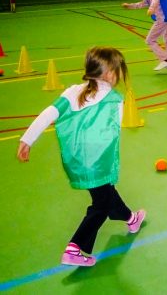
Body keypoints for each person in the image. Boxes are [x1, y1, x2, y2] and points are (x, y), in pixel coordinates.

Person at [17, 47, 146, 267]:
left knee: (105, 192)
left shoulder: (72, 92)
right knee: (101, 204)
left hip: (77, 161)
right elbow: (113, 132)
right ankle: (75, 248)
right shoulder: (115, 100)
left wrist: (27, 139)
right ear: (110, 73)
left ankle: (131, 218)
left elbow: (48, 114)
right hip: (98, 162)